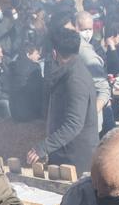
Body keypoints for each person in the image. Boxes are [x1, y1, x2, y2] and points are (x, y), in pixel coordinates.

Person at [27, 28, 99, 175]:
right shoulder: (68, 72)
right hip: (64, 152)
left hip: (76, 158)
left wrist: (44, 147)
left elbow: (73, 124)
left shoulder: (75, 80)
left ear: (54, 53)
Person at [73, 11, 113, 130]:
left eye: (89, 29)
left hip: (96, 98)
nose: (87, 33)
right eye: (84, 29)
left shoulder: (95, 47)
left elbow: (103, 71)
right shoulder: (73, 46)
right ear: (76, 28)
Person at [9, 43, 45, 122]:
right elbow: (37, 90)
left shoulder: (11, 66)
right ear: (28, 54)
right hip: (30, 113)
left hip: (14, 112)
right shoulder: (35, 67)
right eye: (36, 54)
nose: (39, 56)